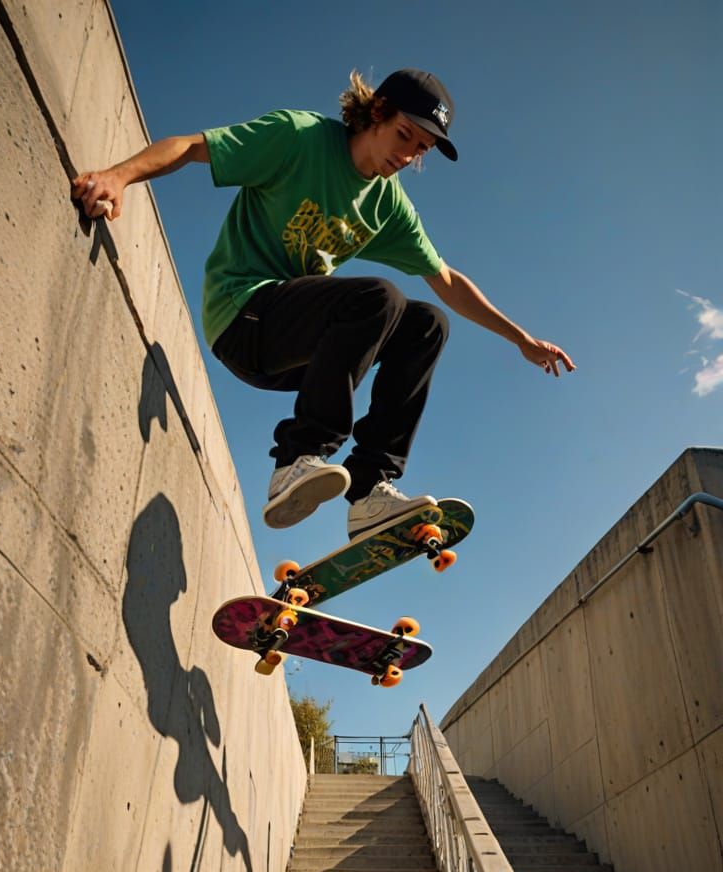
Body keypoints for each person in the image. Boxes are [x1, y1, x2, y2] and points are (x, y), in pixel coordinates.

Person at [73, 68, 575, 538]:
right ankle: (298, 458)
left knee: (428, 322)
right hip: (241, 320)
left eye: (419, 150)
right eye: (404, 136)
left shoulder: (388, 204)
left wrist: (522, 340)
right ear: (376, 111)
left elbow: (445, 279)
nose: (405, 158)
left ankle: (369, 492)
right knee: (379, 297)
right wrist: (118, 177)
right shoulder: (299, 137)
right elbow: (191, 147)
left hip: (303, 354)